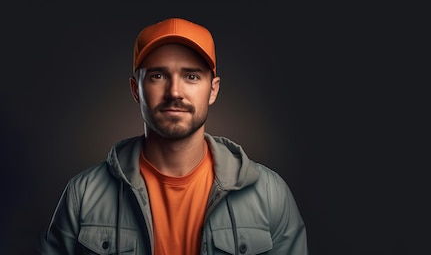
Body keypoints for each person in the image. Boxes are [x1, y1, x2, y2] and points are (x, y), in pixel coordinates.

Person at [39, 17, 308, 254]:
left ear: (213, 90)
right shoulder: (83, 195)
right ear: (136, 90)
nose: (175, 92)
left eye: (191, 76)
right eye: (158, 75)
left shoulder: (270, 194)